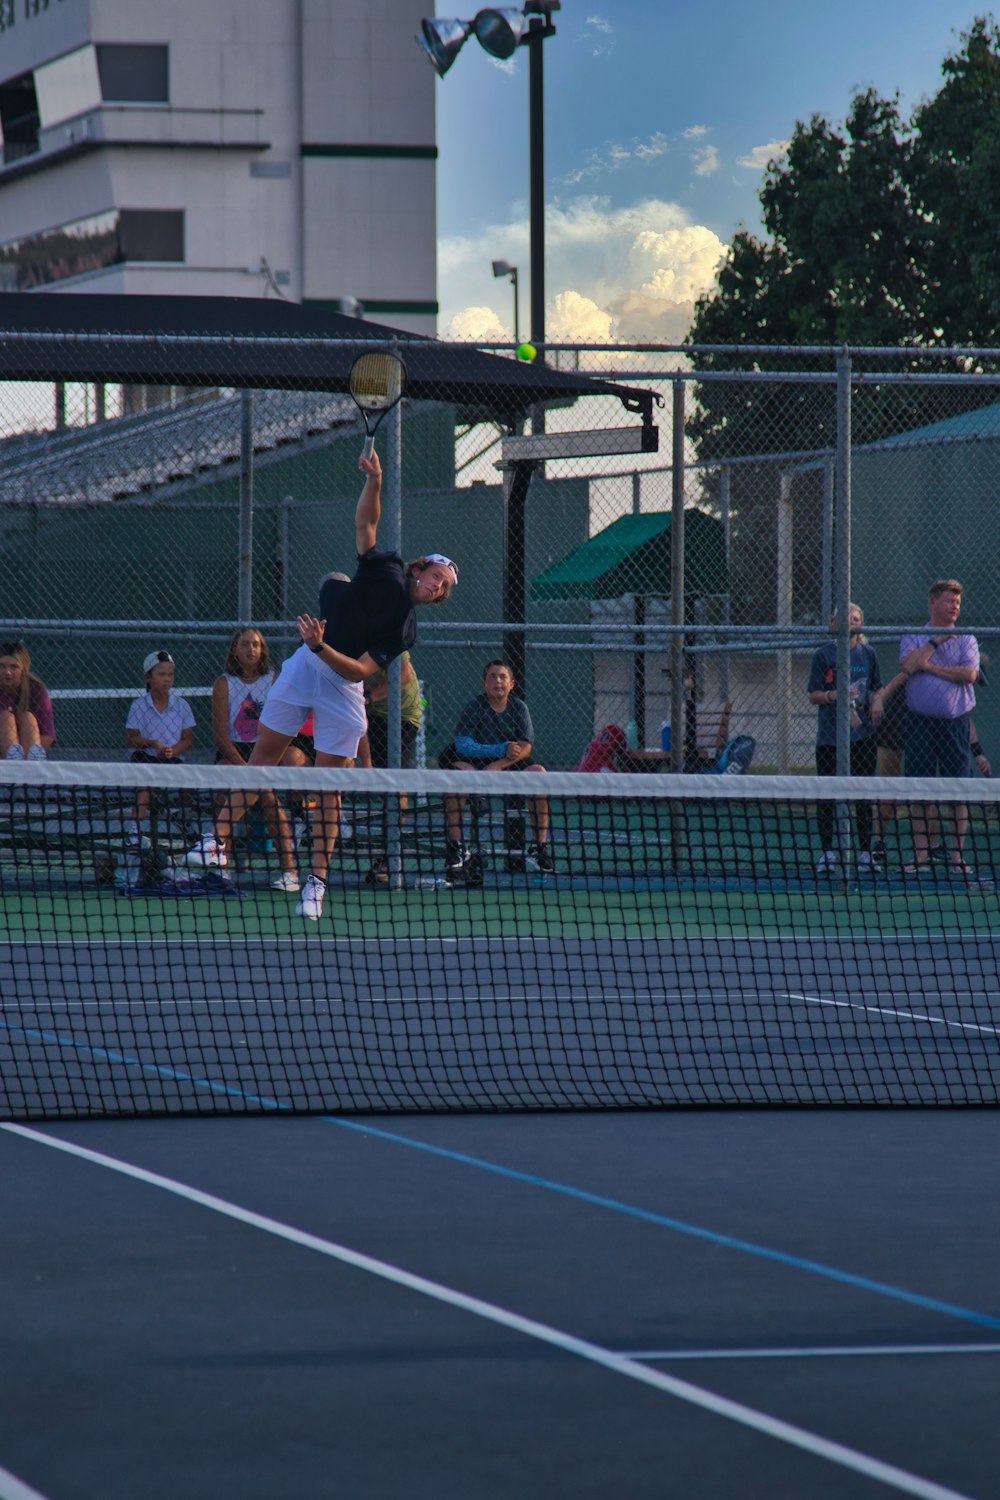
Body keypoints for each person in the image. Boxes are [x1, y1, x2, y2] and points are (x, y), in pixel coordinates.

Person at [183, 447, 458, 921]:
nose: (436, 586)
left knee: (330, 786)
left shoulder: (406, 628)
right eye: (435, 576)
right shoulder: (387, 566)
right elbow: (365, 526)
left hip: (339, 684)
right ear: (418, 568)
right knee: (263, 759)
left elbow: (359, 672)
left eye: (443, 588)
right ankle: (215, 841)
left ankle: (315, 884)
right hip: (302, 669)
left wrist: (318, 647)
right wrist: (373, 481)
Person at [439, 659, 553, 876]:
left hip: (506, 764)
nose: (497, 681)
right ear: (484, 683)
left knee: (539, 775)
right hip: (471, 762)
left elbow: (526, 747)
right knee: (456, 779)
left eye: (502, 677)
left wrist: (499, 765)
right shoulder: (474, 707)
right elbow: (463, 746)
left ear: (511, 684)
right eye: (492, 677)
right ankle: (455, 846)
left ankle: (538, 847)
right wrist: (500, 749)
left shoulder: (519, 708)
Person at [899, 577, 979, 876]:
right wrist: (935, 642)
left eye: (957, 602)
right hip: (920, 723)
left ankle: (957, 857)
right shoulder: (913, 636)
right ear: (933, 602)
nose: (954, 606)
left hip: (955, 724)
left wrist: (929, 666)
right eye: (949, 600)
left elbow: (969, 674)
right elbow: (908, 667)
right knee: (920, 790)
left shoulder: (967, 639)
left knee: (957, 792)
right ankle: (922, 854)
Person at [211, 626, 300, 892]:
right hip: (233, 754)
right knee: (220, 792)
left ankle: (290, 872)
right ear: (235, 650)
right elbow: (221, 737)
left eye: (256, 644)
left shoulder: (274, 680)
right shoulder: (223, 684)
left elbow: (282, 727)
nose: (251, 649)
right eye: (245, 644)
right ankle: (221, 869)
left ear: (262, 650)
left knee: (270, 800)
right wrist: (246, 769)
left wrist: (258, 767)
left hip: (265, 750)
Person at [806, 604, 882, 874]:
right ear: (835, 622)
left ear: (860, 623)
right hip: (829, 738)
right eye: (846, 617)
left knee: (863, 795)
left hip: (862, 737)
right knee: (827, 795)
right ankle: (828, 853)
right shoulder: (823, 655)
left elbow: (878, 688)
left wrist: (877, 702)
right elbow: (813, 693)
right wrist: (833, 696)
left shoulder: (868, 654)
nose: (852, 620)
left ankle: (864, 853)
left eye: (857, 617)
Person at [356, 650, 422, 883]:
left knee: (395, 785)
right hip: (367, 712)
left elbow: (403, 674)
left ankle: (390, 856)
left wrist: (369, 697)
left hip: (401, 715)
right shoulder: (346, 635)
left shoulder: (390, 634)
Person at [125, 650, 196, 847]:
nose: (167, 679)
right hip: (144, 758)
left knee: (191, 781)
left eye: (170, 675)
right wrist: (153, 743)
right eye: (161, 674)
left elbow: (187, 740)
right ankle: (134, 831)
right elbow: (132, 739)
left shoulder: (182, 706)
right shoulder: (138, 706)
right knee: (144, 786)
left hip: (173, 759)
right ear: (148, 678)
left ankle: (184, 818)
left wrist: (173, 750)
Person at [0, 641, 55, 760]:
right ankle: (13, 759)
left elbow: (48, 735)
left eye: (14, 667)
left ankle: (30, 764)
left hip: (28, 749)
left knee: (27, 716)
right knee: (6, 717)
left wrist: (27, 755)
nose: (7, 672)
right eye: (2, 666)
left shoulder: (37, 689)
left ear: (23, 669)